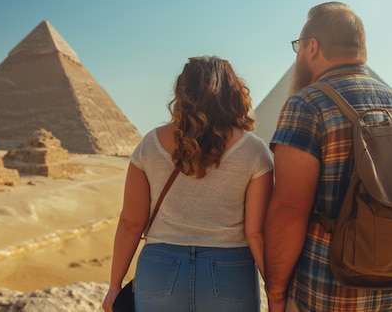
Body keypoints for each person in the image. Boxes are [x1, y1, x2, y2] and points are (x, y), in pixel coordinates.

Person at [264, 2, 392, 312]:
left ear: (312, 47)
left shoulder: (308, 104)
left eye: (299, 46)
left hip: (324, 295)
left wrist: (275, 294)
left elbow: (288, 211)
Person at [102, 55, 274, 312]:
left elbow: (131, 223)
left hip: (159, 271)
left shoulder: (149, 145)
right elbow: (256, 232)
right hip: (230, 273)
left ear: (181, 93)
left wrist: (115, 286)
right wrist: (276, 291)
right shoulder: (254, 150)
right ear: (233, 93)